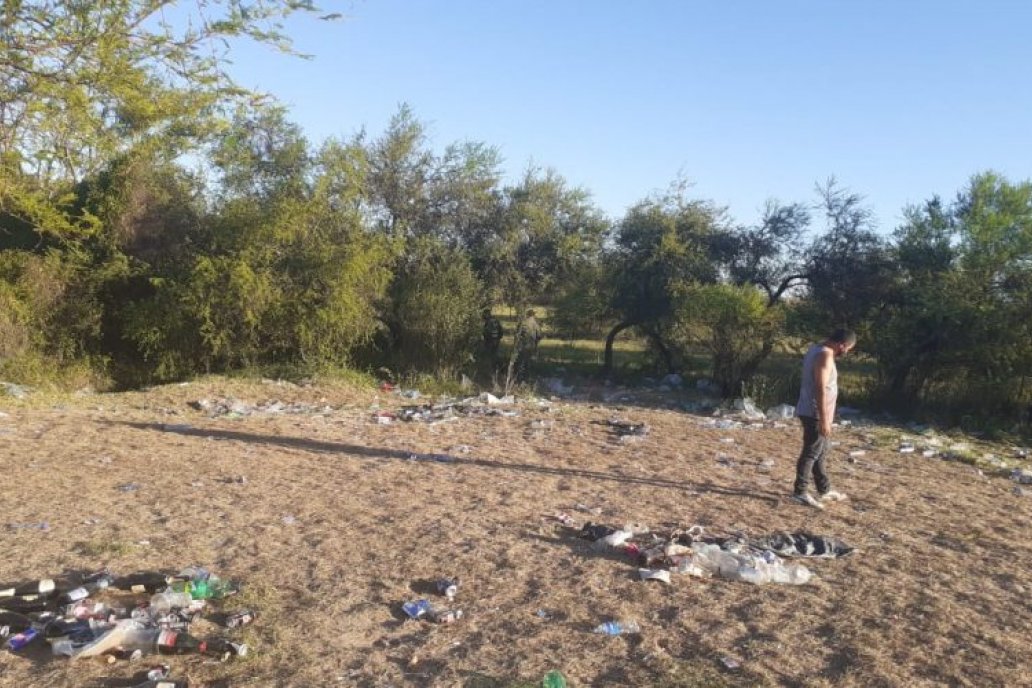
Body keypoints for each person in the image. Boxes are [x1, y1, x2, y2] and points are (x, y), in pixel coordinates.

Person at [792, 328, 857, 509]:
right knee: (811, 452)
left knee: (821, 451)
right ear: (842, 345)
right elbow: (820, 388)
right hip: (815, 413)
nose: (846, 353)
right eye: (848, 349)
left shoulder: (817, 349)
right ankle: (800, 492)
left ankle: (824, 489)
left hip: (818, 412)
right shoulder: (825, 356)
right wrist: (823, 418)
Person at [513, 309, 542, 381]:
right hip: (531, 346)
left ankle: (519, 378)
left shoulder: (523, 323)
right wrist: (535, 343)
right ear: (533, 315)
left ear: (527, 314)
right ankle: (527, 378)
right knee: (528, 362)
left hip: (522, 345)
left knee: (521, 361)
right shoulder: (535, 324)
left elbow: (517, 334)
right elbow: (539, 335)